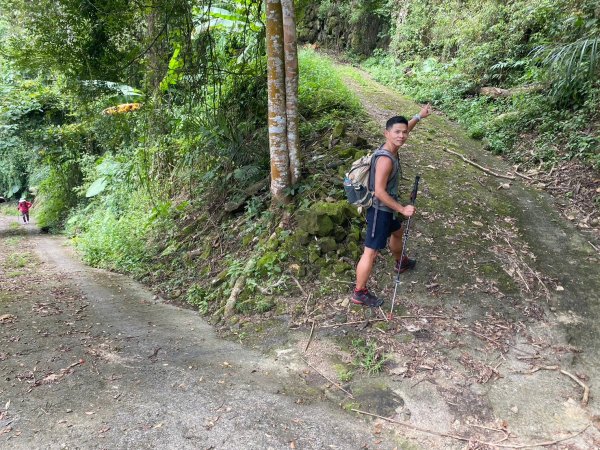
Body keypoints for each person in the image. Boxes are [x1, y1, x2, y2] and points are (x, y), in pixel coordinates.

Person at [352, 105, 431, 307]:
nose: (402, 135)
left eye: (404, 132)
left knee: (398, 232)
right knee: (370, 252)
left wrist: (418, 117)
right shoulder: (386, 160)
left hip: (386, 211)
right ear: (387, 133)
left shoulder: (390, 146)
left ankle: (400, 262)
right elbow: (379, 191)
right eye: (397, 132)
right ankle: (359, 292)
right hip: (379, 211)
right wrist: (402, 209)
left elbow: (405, 128)